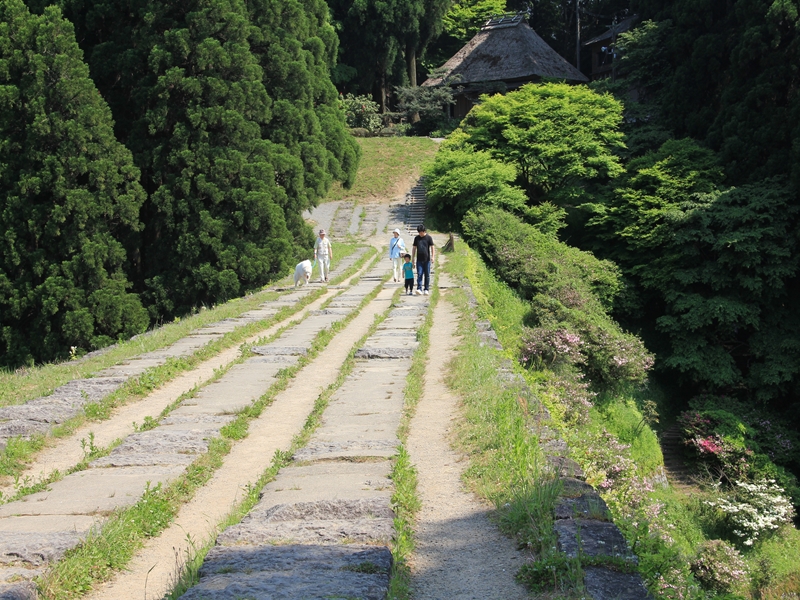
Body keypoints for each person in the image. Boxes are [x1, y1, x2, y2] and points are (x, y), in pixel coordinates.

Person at [411, 224, 434, 295]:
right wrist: (413, 258)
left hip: (427, 260)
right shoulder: (416, 238)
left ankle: (426, 289)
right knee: (419, 274)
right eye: (419, 232)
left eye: (421, 232)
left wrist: (433, 257)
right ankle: (419, 288)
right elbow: (414, 248)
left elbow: (432, 247)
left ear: (424, 231)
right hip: (419, 260)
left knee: (427, 275)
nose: (420, 234)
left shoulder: (429, 238)